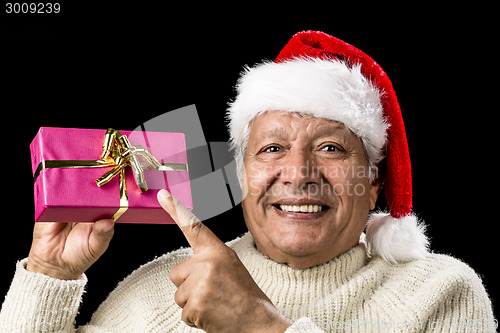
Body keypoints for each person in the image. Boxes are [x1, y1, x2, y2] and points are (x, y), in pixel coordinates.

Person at [0, 31, 496, 332]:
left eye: (330, 148)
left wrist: (259, 326)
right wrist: (50, 273)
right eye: (272, 149)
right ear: (242, 177)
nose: (299, 175)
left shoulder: (440, 291)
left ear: (372, 182)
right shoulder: (166, 286)